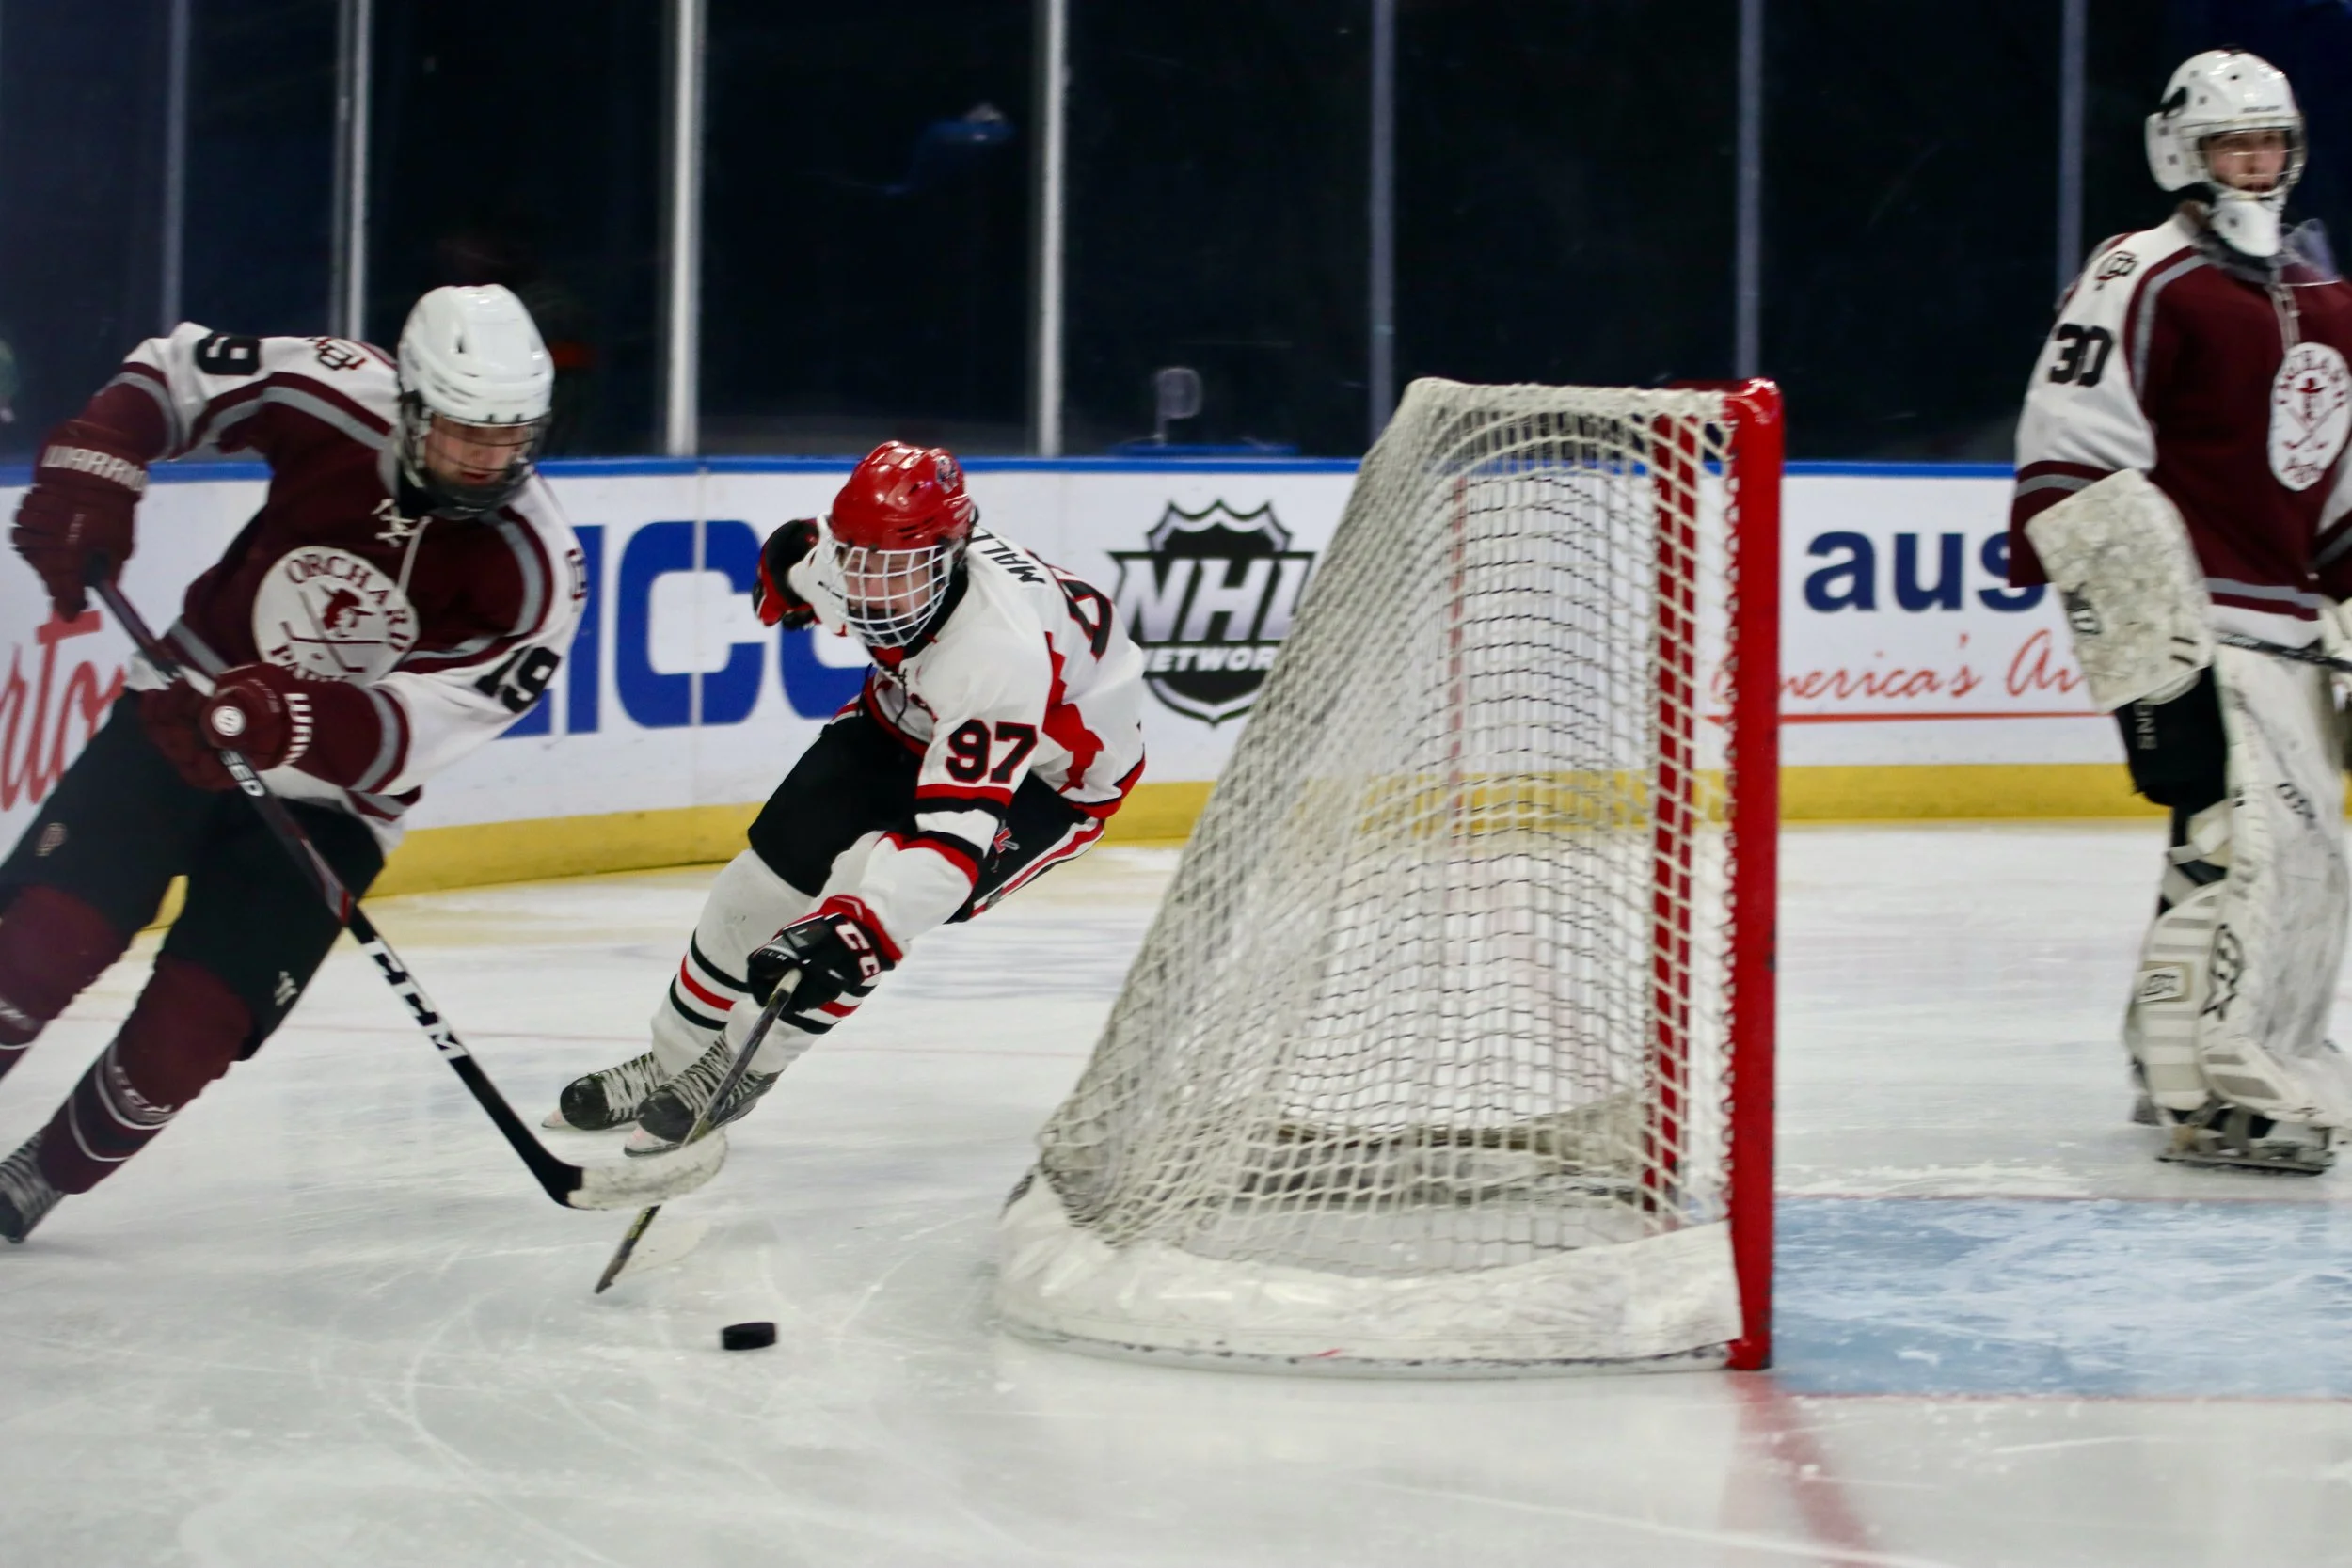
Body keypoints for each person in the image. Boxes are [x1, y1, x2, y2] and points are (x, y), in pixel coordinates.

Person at [0, 285, 584, 1240]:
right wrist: (97, 462)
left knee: (186, 1039)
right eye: (464, 435)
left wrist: (286, 718)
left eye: (511, 437)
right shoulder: (333, 390)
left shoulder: (538, 568)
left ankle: (38, 1176)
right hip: (181, 713)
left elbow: (430, 719)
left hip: (335, 804)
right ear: (410, 405)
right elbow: (176, 373)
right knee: (33, 949)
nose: (490, 461)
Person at [547, 441, 1145, 1152]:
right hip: (906, 715)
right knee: (754, 888)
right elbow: (794, 550)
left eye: (892, 572)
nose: (869, 591)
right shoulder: (856, 559)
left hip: (1047, 778)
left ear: (949, 556)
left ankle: (741, 1069)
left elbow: (949, 849)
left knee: (861, 897)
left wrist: (865, 928)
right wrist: (782, 573)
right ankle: (671, 1065)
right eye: (856, 564)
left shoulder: (996, 653)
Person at [2009, 50, 2352, 1170]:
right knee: (2230, 841)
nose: (2253, 165)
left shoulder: (2324, 299)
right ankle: (2224, 1083)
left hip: (2290, 623)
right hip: (2186, 612)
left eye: (2269, 143)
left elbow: (2333, 481)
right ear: (2180, 153)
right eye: (2230, 145)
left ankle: (2174, 1055)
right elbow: (2070, 446)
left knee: (2288, 856)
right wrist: (2132, 627)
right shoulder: (2141, 273)